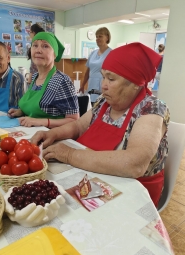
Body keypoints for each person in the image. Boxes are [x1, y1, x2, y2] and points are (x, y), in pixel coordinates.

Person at [31, 42, 170, 208]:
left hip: (135, 189)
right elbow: (77, 126)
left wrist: (69, 155)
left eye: (111, 79)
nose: (103, 85)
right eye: (103, 76)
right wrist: (52, 134)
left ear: (135, 83)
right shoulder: (105, 102)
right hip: (97, 177)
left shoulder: (151, 108)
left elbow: (135, 164)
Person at [8, 32, 79, 128]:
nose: (38, 50)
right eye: (35, 46)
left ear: (55, 54)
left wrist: (42, 122)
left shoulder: (61, 81)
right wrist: (21, 112)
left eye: (45, 46)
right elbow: (36, 109)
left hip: (52, 136)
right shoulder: (34, 77)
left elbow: (74, 121)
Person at [79, 27, 111, 104]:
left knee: (100, 106)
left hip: (103, 86)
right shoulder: (93, 53)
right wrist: (82, 85)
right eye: (96, 37)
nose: (97, 38)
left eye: (100, 36)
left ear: (107, 37)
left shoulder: (111, 53)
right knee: (91, 107)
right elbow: (88, 71)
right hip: (91, 85)